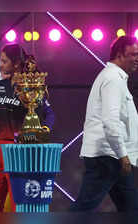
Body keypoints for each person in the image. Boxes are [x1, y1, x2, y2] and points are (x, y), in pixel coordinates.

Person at [0, 44, 55, 212]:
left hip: (19, 150)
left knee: (19, 204)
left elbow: (47, 116)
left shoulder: (31, 88)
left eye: (4, 61)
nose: (0, 64)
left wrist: (43, 131)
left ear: (16, 63)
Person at [70, 36, 138, 212]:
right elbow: (110, 121)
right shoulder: (113, 79)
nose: (137, 58)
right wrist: (123, 155)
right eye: (133, 54)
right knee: (84, 208)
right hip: (109, 157)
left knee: (130, 208)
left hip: (113, 156)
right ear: (119, 55)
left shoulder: (115, 78)